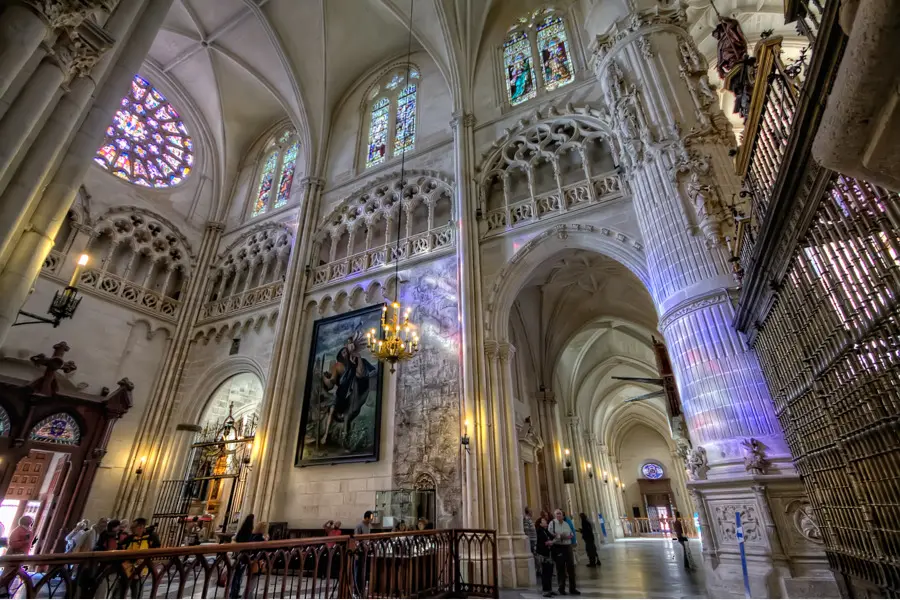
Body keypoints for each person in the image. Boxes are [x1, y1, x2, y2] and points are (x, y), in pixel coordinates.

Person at [0, 516, 34, 595]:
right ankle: (2, 589)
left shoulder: (26, 531)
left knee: (12, 574)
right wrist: (24, 541)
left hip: (20, 556)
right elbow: (13, 544)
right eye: (30, 522)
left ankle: (5, 589)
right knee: (8, 573)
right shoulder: (18, 531)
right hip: (14, 555)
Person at [549, 509, 579, 596]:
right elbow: (552, 534)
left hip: (568, 546)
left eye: (560, 514)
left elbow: (571, 534)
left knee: (571, 568)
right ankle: (561, 588)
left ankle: (572, 588)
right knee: (560, 568)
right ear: (555, 515)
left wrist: (562, 536)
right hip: (559, 547)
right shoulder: (552, 523)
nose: (558, 515)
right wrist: (562, 536)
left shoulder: (566, 523)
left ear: (562, 515)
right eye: (557, 514)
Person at [230, 514, 255, 598]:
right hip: (244, 556)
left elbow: (236, 539)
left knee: (237, 575)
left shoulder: (241, 530)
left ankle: (233, 593)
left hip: (239, 555)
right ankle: (234, 593)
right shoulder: (249, 532)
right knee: (239, 575)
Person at [534, 516, 556, 597]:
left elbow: (552, 537)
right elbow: (540, 542)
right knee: (545, 573)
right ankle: (545, 590)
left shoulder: (545, 530)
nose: (545, 522)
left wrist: (553, 539)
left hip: (548, 553)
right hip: (543, 554)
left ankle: (550, 589)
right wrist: (547, 543)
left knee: (550, 572)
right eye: (544, 521)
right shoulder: (539, 531)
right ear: (540, 523)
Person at [353, 511, 373, 595]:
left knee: (363, 571)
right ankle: (356, 590)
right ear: (366, 517)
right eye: (371, 518)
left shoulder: (368, 526)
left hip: (366, 551)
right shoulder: (359, 526)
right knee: (357, 571)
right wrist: (357, 552)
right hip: (359, 551)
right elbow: (356, 539)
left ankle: (362, 589)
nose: (372, 520)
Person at [523, 507, 539, 575]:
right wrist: (528, 539)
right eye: (531, 511)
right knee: (534, 555)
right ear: (528, 512)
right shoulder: (526, 519)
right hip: (531, 540)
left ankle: (537, 569)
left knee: (535, 554)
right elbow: (526, 530)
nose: (532, 512)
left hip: (533, 540)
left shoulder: (529, 519)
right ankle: (536, 570)